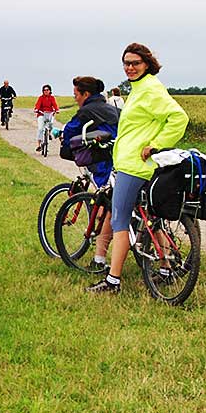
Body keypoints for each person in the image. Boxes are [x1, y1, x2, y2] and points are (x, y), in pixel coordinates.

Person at [87, 42, 189, 294]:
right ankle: (165, 267)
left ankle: (113, 281)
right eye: (126, 63)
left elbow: (179, 118)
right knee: (150, 219)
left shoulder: (150, 89)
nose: (130, 68)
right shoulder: (140, 88)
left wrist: (156, 144)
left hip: (134, 166)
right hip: (133, 163)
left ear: (147, 64)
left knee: (120, 221)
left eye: (135, 63)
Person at [59, 76, 120, 272]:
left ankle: (99, 258)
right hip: (125, 157)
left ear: (86, 94)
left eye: (76, 94)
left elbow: (70, 130)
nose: (75, 98)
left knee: (107, 204)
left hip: (105, 161)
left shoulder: (87, 111)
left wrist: (63, 139)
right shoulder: (111, 108)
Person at [34, 84, 59, 151]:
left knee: (51, 124)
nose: (46, 91)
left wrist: (57, 110)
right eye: (44, 90)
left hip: (50, 114)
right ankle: (39, 145)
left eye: (47, 90)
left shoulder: (52, 98)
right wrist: (36, 109)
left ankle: (49, 133)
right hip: (41, 114)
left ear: (50, 91)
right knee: (40, 129)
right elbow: (38, 105)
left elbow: (55, 105)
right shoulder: (41, 98)